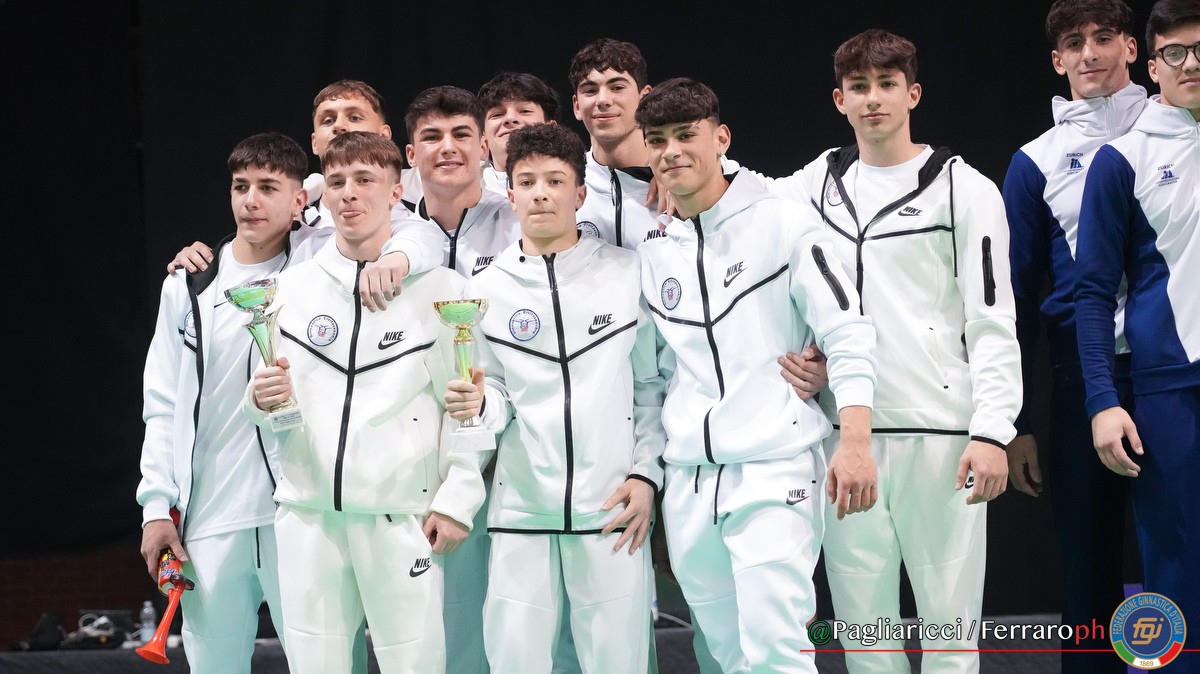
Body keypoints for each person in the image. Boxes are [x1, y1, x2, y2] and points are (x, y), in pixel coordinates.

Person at [764, 29, 1021, 673]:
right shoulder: (815, 184)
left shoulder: (965, 189)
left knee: (950, 635)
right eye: (859, 87)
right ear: (839, 99)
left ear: (914, 93)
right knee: (864, 636)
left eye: (886, 84)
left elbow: (992, 320)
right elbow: (732, 194)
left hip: (941, 437)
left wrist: (993, 430)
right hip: (846, 439)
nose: (873, 99)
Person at [636, 77, 879, 673]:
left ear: (721, 138)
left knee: (776, 651)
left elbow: (848, 334)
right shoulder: (655, 251)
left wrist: (855, 442)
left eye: (686, 135)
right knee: (726, 656)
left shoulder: (784, 223)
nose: (671, 151)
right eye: (658, 140)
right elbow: (653, 377)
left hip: (775, 467)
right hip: (690, 480)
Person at [247, 130, 485, 674]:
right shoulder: (289, 290)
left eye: (364, 180)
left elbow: (467, 406)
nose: (349, 193)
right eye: (336, 182)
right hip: (308, 516)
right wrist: (259, 400)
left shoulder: (443, 291)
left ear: (397, 191)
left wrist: (458, 497)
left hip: (399, 516)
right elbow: (268, 405)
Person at [446, 122, 663, 673]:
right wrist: (481, 406)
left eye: (555, 180)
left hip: (612, 510)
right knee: (514, 663)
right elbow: (496, 393)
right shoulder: (484, 290)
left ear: (580, 193)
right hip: (520, 512)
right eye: (527, 182)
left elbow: (650, 387)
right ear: (510, 195)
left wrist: (646, 474)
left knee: (619, 664)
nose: (541, 193)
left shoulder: (626, 273)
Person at [1002, 1, 1144, 668]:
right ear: (1056, 59)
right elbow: (1014, 300)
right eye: (1074, 42)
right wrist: (1016, 422)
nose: (1090, 53)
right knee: (1088, 574)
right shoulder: (1035, 161)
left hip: (1172, 373)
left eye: (1104, 37)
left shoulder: (1178, 132)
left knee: (1181, 552)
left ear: (1132, 48)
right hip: (1081, 381)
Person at [137, 132, 308, 673]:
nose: (251, 200)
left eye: (268, 187)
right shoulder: (189, 284)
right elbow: (162, 403)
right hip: (210, 516)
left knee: (324, 662)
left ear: (300, 199)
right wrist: (155, 508)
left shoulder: (318, 272)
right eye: (240, 186)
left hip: (297, 512)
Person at [1076, 0, 1200, 667]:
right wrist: (1103, 400)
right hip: (1168, 392)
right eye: (1175, 52)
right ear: (1152, 65)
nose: (1191, 63)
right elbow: (1093, 293)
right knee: (1178, 570)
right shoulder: (1121, 160)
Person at [169, 79, 440, 313]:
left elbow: (427, 235)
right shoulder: (296, 217)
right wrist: (207, 260)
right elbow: (249, 253)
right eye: (328, 120)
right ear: (314, 142)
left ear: (385, 135)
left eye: (354, 117)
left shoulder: (412, 203)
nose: (339, 126)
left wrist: (399, 255)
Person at [477, 71, 560, 195]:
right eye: (497, 114)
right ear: (482, 135)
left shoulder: (575, 181)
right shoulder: (466, 190)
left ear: (551, 128)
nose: (510, 118)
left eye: (525, 111)